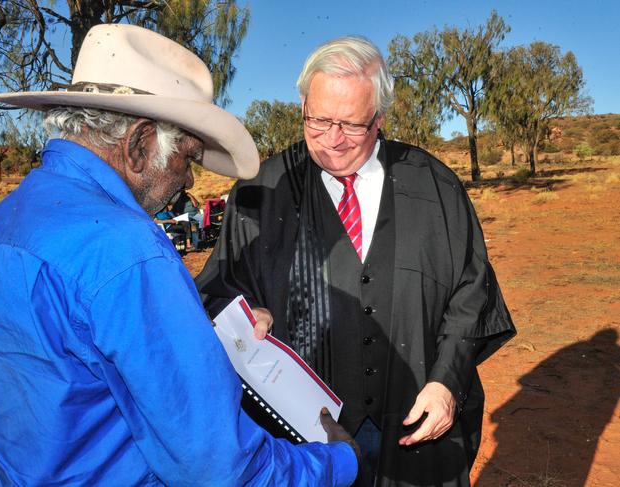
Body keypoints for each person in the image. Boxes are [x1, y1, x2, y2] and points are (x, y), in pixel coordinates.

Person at [0, 24, 359, 486]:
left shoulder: (0, 223)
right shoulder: (129, 252)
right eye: (187, 159)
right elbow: (221, 469)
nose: (190, 183)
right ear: (139, 145)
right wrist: (338, 462)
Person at [197, 36, 516, 486]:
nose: (332, 140)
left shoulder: (436, 187)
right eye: (318, 120)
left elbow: (471, 295)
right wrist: (243, 314)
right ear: (304, 105)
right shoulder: (260, 193)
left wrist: (447, 382)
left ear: (379, 118)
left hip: (415, 424)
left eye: (350, 125)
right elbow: (216, 291)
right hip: (306, 438)